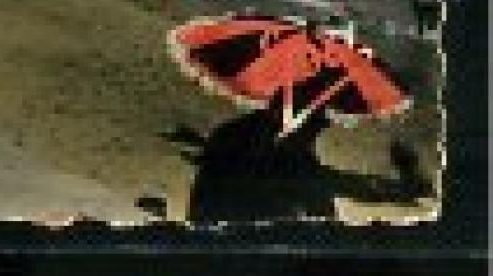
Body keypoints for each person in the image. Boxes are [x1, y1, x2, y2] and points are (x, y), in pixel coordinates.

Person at [185, 91, 431, 223]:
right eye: (319, 125)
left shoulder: (231, 134)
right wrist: (408, 185)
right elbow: (351, 187)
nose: (318, 132)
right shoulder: (289, 163)